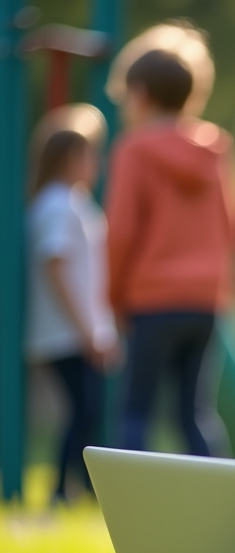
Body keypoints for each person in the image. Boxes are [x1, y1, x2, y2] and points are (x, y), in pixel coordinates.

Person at [104, 25, 235, 456]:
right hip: (207, 300)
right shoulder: (214, 148)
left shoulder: (134, 149)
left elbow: (122, 232)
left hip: (151, 298)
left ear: (141, 93)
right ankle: (218, 506)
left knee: (135, 409)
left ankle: (130, 511)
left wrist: (113, 300)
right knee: (195, 413)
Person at [25, 106, 119, 503]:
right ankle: (63, 489)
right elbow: (57, 265)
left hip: (74, 329)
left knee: (87, 411)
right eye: (89, 153)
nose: (95, 163)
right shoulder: (58, 204)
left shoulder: (69, 202)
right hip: (66, 331)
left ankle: (75, 488)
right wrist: (88, 329)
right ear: (69, 157)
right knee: (84, 411)